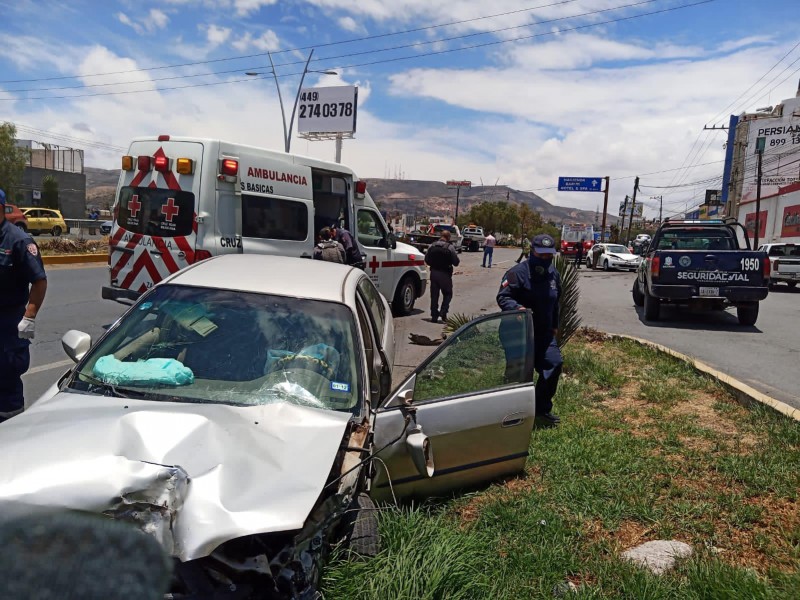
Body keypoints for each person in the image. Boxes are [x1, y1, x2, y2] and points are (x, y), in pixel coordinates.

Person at [496, 233, 562, 426]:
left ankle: (541, 409)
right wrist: (517, 308)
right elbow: (503, 297)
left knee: (554, 364)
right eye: (541, 254)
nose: (545, 258)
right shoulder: (517, 273)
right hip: (518, 333)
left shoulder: (553, 274)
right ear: (532, 252)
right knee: (517, 374)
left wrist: (555, 325)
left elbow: (555, 302)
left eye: (549, 255)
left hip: (544, 333)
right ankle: (511, 413)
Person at [0, 188, 48, 423]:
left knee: (7, 380)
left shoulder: (18, 241)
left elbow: (39, 280)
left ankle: (10, 432)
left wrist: (29, 316)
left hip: (7, 325)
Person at [425, 230, 460, 323]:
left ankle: (434, 315)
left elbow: (427, 259)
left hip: (434, 273)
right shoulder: (450, 247)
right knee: (448, 294)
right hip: (445, 274)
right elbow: (456, 262)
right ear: (448, 237)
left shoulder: (432, 245)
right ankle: (443, 313)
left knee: (434, 295)